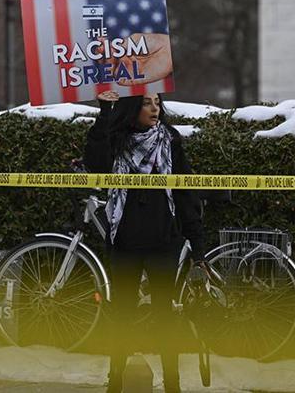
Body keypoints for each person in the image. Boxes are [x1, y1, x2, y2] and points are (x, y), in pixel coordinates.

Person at [83, 90, 205, 393]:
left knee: (166, 317)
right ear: (132, 107)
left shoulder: (170, 140)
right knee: (121, 314)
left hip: (163, 240)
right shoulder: (117, 138)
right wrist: (104, 111)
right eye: (147, 102)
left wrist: (197, 241)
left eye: (157, 102)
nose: (155, 108)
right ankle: (116, 381)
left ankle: (172, 384)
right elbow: (95, 164)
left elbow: (185, 191)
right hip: (125, 241)